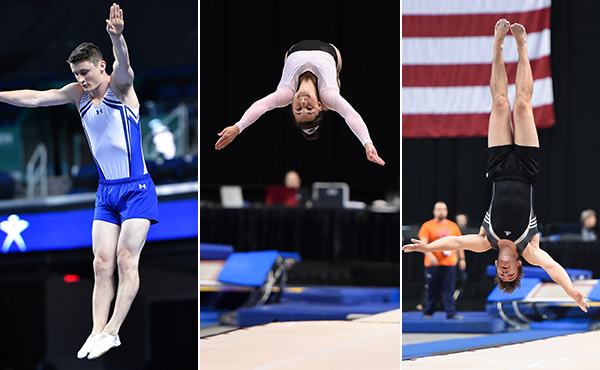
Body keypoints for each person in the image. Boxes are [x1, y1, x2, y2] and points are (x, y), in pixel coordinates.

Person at [0, 4, 159, 359]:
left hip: (136, 188)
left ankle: (113, 331)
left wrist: (117, 38)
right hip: (106, 193)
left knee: (124, 259)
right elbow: (37, 99)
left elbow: (125, 65)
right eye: (76, 73)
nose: (82, 79)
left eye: (85, 72)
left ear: (101, 66)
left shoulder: (121, 88)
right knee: (100, 263)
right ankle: (96, 330)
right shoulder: (77, 94)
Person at [402, 20, 589, 313]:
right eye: (510, 273)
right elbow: (553, 267)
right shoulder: (529, 247)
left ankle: (497, 46)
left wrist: (427, 248)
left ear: (496, 265)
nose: (505, 271)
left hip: (498, 168)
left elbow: (453, 240)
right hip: (527, 169)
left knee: (501, 103)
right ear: (518, 265)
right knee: (523, 105)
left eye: (502, 274)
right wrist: (571, 290)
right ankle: (523, 46)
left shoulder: (484, 241)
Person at [214, 39, 385, 166]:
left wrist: (238, 127)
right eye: (309, 108)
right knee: (336, 88)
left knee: (281, 89)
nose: (303, 102)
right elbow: (350, 115)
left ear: (291, 106)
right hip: (329, 51)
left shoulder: (286, 93)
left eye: (298, 109)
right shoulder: (328, 94)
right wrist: (367, 143)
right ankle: (336, 78)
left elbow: (261, 106)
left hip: (294, 50)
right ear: (320, 106)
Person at [418, 202, 466, 319]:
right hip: (433, 264)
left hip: (449, 263)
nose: (441, 211)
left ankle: (451, 312)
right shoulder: (427, 226)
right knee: (432, 289)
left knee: (449, 289)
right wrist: (430, 255)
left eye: (443, 209)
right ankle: (429, 312)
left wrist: (462, 259)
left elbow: (460, 244)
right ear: (434, 211)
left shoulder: (453, 226)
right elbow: (423, 244)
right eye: (439, 209)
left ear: (447, 211)